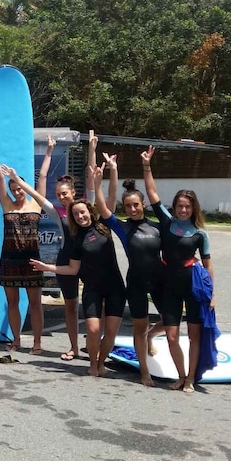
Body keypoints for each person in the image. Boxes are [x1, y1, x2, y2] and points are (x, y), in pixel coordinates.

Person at [30, 163, 126, 377]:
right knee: (88, 323)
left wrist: (110, 171)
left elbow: (107, 196)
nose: (80, 216)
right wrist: (47, 267)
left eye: (83, 213)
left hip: (114, 285)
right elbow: (73, 269)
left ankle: (99, 360)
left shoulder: (102, 224)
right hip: (87, 279)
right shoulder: (72, 234)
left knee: (109, 330)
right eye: (59, 194)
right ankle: (88, 357)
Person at [141, 146, 214, 393]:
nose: (183, 210)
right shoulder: (167, 222)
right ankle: (180, 376)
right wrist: (146, 165)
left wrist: (211, 295)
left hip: (192, 284)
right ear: (175, 207)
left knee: (194, 336)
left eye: (187, 207)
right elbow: (152, 193)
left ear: (194, 209)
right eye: (180, 206)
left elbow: (208, 264)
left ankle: (191, 379)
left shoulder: (200, 234)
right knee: (172, 335)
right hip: (168, 285)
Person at [92, 151, 165, 386]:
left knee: (171, 320)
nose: (132, 209)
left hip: (160, 281)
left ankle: (154, 335)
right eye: (128, 206)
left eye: (135, 205)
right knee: (139, 327)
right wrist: (98, 180)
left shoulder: (157, 228)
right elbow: (102, 208)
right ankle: (145, 371)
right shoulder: (122, 228)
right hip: (135, 282)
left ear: (142, 204)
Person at [0, 135, 61, 354]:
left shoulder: (35, 205)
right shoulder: (7, 205)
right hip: (9, 259)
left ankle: (37, 343)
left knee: (36, 303)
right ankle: (17, 340)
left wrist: (49, 152)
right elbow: (0, 183)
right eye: (14, 189)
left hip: (32, 260)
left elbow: (43, 176)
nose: (17, 192)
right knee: (12, 302)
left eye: (19, 188)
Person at [37, 134, 81, 361]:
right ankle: (74, 346)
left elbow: (94, 184)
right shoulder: (57, 213)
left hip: (90, 261)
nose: (62, 197)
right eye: (59, 195)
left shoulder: (86, 207)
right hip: (66, 260)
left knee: (98, 305)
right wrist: (48, 152)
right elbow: (41, 185)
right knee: (71, 306)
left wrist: (91, 150)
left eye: (65, 193)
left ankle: (98, 344)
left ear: (74, 192)